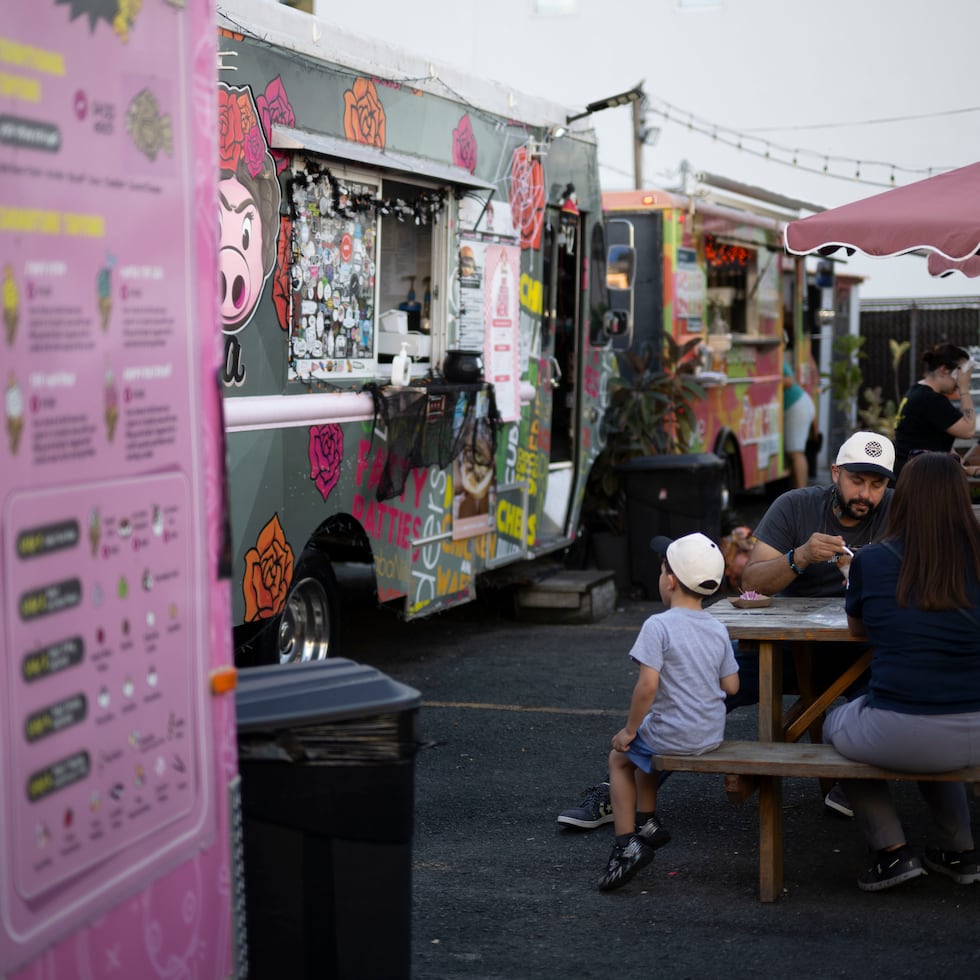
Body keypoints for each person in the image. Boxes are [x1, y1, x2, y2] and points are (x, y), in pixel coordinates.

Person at [557, 432, 895, 830]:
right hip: (785, 648)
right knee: (692, 684)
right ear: (835, 472)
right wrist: (799, 557)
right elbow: (751, 580)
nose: (866, 494)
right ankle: (620, 788)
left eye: (877, 484)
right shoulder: (796, 505)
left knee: (907, 691)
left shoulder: (899, 510)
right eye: (857, 480)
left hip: (863, 652)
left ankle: (861, 786)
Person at [823, 451, 980, 891]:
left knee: (833, 723)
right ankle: (960, 850)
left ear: (903, 497)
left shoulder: (872, 561)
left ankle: (892, 853)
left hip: (902, 731)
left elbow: (859, 628)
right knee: (934, 730)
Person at [597, 533, 739, 891]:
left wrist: (627, 731)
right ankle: (647, 820)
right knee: (647, 739)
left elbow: (647, 687)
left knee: (621, 756)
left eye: (663, 570)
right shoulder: (718, 628)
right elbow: (733, 687)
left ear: (670, 580)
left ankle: (626, 843)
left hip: (674, 736)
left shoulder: (658, 626)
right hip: (709, 735)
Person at [893, 343, 975, 478]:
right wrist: (964, 389)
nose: (962, 379)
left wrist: (965, 469)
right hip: (921, 478)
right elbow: (968, 430)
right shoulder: (930, 400)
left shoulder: (916, 391)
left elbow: (934, 441)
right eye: (960, 374)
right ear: (944, 371)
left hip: (909, 472)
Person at [783, 353, 817, 490]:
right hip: (798, 405)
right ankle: (797, 493)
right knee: (794, 454)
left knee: (796, 453)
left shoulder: (775, 357)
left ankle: (801, 493)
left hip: (797, 406)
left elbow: (789, 381)